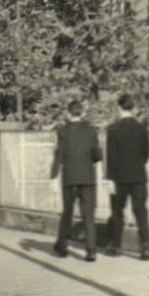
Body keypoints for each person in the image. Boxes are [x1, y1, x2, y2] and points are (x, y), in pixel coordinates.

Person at [50, 99, 103, 261]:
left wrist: (53, 177)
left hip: (70, 177)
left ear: (68, 113)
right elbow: (97, 155)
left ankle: (62, 246)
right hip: (87, 177)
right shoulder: (91, 131)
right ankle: (91, 250)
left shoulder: (62, 131)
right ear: (83, 113)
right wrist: (99, 175)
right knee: (88, 214)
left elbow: (59, 155)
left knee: (67, 212)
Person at [104, 93, 149, 260]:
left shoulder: (113, 129)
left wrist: (109, 178)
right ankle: (145, 247)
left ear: (118, 108)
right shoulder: (141, 128)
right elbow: (146, 153)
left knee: (117, 213)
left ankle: (116, 246)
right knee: (141, 212)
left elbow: (110, 156)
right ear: (132, 108)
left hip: (119, 178)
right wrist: (137, 165)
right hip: (139, 176)